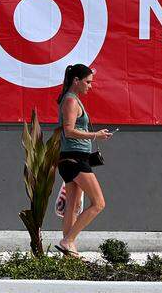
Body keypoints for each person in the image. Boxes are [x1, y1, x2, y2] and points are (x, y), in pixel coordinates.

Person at [54, 63, 112, 258]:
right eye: (87, 82)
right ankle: (68, 241)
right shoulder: (71, 101)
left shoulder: (71, 99)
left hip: (69, 159)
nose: (90, 86)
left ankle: (69, 253)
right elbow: (68, 131)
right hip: (75, 159)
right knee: (99, 203)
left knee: (72, 206)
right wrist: (95, 135)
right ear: (76, 81)